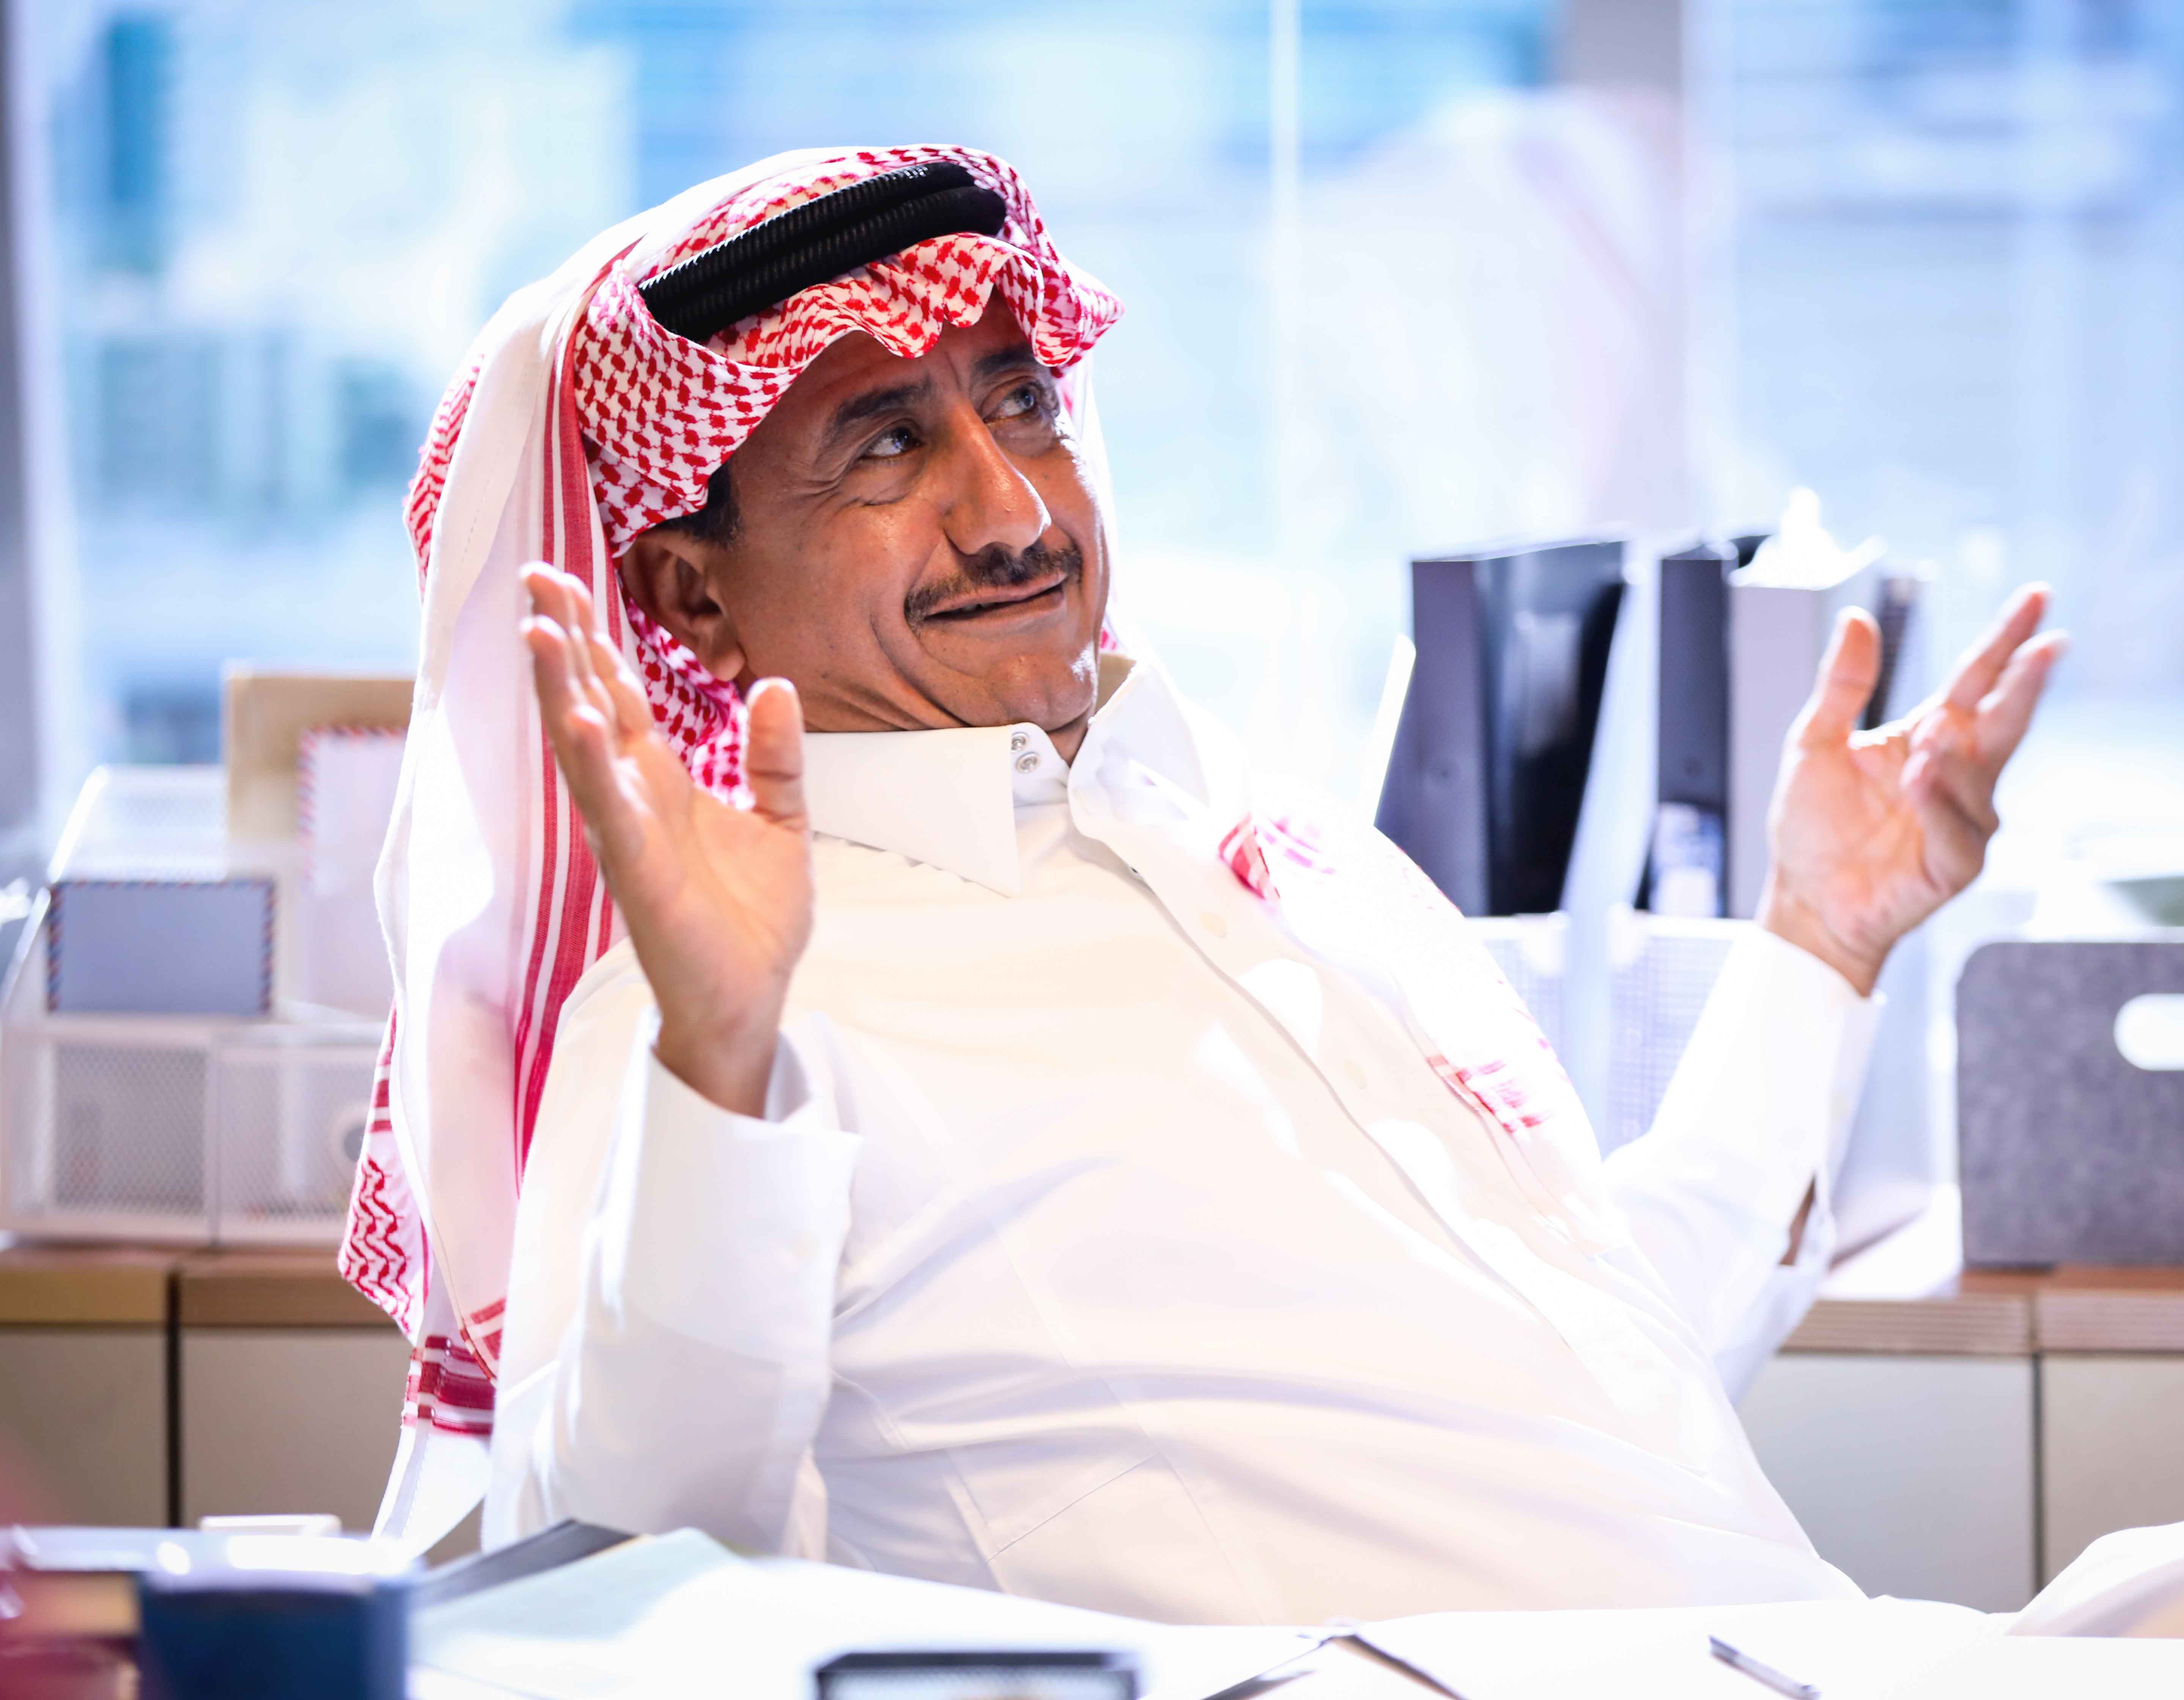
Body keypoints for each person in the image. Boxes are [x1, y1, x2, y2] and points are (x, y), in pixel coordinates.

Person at [354, 147, 2063, 1624]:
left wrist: (1822, 938)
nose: (1013, 511)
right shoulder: (719, 1004)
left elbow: (1609, 1379)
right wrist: (718, 1073)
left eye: (1020, 404)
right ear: (692, 595)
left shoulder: (1264, 861)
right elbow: (628, 1574)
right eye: (884, 449)